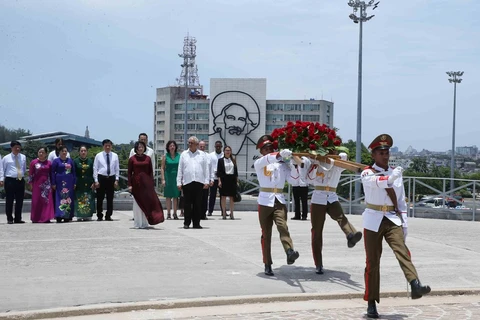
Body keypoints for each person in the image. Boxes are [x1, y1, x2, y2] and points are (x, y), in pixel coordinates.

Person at [361, 134, 431, 318]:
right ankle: (371, 302)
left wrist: (405, 223)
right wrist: (390, 178)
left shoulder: (395, 172)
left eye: (387, 152)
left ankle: (415, 284)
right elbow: (375, 183)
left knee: (402, 250)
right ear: (374, 155)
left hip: (392, 218)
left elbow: (401, 201)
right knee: (372, 263)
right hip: (373, 219)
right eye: (381, 152)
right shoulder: (367, 172)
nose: (385, 156)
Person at [306, 152, 363, 275]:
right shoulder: (315, 163)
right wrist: (315, 163)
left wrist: (341, 157)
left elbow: (346, 162)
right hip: (318, 198)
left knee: (341, 217)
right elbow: (308, 179)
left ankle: (350, 236)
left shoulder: (337, 165)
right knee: (317, 231)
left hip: (332, 196)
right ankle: (318, 264)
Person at [254, 135, 299, 276]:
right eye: (266, 149)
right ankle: (267, 263)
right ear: (261, 151)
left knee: (282, 226)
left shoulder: (282, 165)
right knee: (266, 234)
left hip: (278, 200)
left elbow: (294, 180)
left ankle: (289, 251)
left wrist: (293, 164)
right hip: (264, 201)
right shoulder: (260, 162)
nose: (269, 150)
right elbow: (269, 159)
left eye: (271, 148)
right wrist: (279, 154)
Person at [128, 141, 164, 228]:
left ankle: (144, 223)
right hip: (136, 184)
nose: (140, 148)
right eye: (139, 147)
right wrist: (130, 185)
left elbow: (150, 172)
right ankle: (137, 223)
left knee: (146, 203)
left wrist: (151, 184)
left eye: (142, 147)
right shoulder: (132, 159)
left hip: (147, 184)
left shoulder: (148, 158)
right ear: (136, 148)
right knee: (137, 203)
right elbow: (129, 173)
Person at [176, 136, 209, 229]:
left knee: (198, 203)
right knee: (187, 204)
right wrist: (179, 182)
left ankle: (196, 223)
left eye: (192, 143)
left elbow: (206, 169)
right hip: (187, 182)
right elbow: (180, 169)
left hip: (199, 181)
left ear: (197, 144)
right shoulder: (184, 154)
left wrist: (206, 181)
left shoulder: (202, 155)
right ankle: (186, 222)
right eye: (189, 143)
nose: (190, 144)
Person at [129, 133, 156, 222]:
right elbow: (130, 167)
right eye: (141, 140)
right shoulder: (133, 151)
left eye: (145, 140)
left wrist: (152, 180)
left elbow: (152, 166)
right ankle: (136, 217)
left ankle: (145, 218)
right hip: (136, 181)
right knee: (136, 201)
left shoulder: (150, 151)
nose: (143, 141)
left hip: (146, 181)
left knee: (146, 200)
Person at [93, 139, 120, 221]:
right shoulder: (98, 155)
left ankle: (108, 215)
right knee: (100, 198)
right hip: (101, 177)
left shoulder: (115, 156)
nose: (108, 147)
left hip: (111, 178)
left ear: (111, 146)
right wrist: (96, 180)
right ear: (103, 146)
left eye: (109, 145)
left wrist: (117, 179)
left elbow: (117, 168)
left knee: (110, 198)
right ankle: (99, 215)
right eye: (106, 145)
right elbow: (95, 168)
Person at [1, 141, 27, 224]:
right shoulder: (6, 158)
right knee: (9, 200)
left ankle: (18, 218)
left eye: (19, 147)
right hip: (10, 180)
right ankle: (9, 218)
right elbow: (2, 169)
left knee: (20, 200)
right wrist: (1, 179)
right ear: (11, 148)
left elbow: (24, 168)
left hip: (20, 179)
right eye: (16, 147)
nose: (17, 149)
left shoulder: (23, 157)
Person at [28, 147, 54, 223]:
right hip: (36, 184)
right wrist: (30, 184)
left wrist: (52, 184)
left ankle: (46, 218)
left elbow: (51, 174)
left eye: (43, 152)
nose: (41, 154)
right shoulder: (34, 162)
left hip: (47, 185)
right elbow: (30, 174)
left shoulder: (49, 163)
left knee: (46, 201)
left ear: (46, 154)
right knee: (36, 201)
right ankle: (36, 218)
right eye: (40, 152)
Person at [51, 146, 76, 223]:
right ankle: (59, 215)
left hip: (69, 182)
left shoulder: (70, 161)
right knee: (59, 198)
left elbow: (74, 172)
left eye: (65, 151)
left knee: (68, 198)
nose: (64, 152)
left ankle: (67, 215)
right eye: (62, 151)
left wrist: (74, 182)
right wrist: (53, 182)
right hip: (59, 182)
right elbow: (52, 172)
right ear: (59, 152)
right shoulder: (56, 161)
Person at [74, 146, 95, 221]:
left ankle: (88, 215)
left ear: (87, 152)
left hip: (88, 184)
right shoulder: (75, 161)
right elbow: (74, 173)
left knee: (88, 199)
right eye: (81, 151)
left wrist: (93, 182)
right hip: (79, 183)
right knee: (79, 199)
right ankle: (79, 215)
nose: (83, 152)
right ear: (79, 152)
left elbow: (93, 173)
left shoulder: (90, 161)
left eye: (85, 151)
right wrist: (74, 182)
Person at [161, 140, 181, 220]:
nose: (172, 147)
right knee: (168, 196)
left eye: (173, 146)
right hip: (168, 177)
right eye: (170, 146)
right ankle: (168, 213)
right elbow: (162, 168)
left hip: (176, 177)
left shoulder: (179, 156)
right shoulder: (165, 156)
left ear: (175, 147)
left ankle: (175, 213)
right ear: (168, 147)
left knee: (176, 196)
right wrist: (163, 179)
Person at [217, 146, 238, 220]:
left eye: (229, 150)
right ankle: (224, 213)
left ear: (231, 151)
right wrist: (219, 181)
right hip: (224, 179)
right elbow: (219, 172)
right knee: (223, 197)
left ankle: (232, 213)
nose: (228, 152)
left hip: (232, 179)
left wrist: (237, 181)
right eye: (226, 150)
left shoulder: (233, 160)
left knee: (232, 197)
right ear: (224, 151)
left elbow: (236, 172)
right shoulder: (220, 160)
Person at [208, 140, 224, 216]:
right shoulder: (210, 155)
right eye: (216, 146)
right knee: (212, 195)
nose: (218, 147)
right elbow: (209, 166)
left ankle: (223, 211)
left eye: (219, 146)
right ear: (214, 147)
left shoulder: (224, 155)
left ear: (221, 147)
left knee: (222, 195)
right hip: (213, 178)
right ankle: (210, 211)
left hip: (222, 178)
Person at [199, 140, 213, 220]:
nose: (202, 148)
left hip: (205, 180)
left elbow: (211, 168)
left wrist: (211, 179)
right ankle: (197, 213)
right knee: (197, 198)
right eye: (201, 146)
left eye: (203, 146)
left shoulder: (208, 156)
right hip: (197, 180)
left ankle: (203, 214)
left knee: (205, 198)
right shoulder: (195, 155)